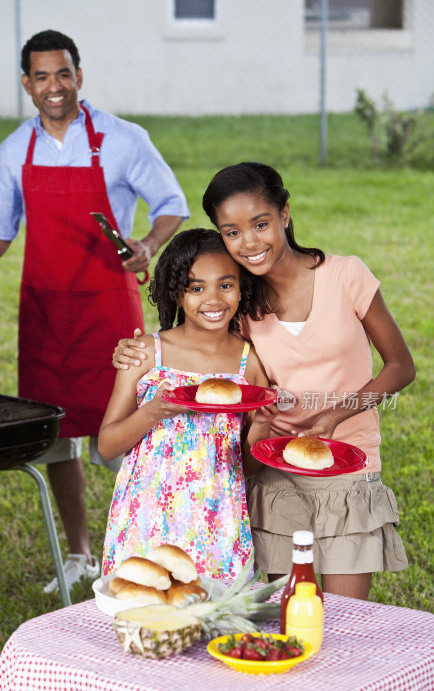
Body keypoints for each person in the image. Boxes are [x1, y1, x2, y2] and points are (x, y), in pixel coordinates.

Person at [0, 29, 189, 593]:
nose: (55, 87)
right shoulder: (13, 150)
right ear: (27, 84)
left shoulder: (123, 140)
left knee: (126, 432)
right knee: (56, 437)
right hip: (46, 314)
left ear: (80, 76)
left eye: (64, 74)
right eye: (42, 76)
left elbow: (173, 204)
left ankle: (144, 554)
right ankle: (79, 554)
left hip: (107, 310)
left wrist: (146, 244)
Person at [112, 162, 415, 601]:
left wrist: (334, 415)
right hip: (270, 470)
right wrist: (133, 352)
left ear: (285, 214)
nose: (249, 242)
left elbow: (400, 366)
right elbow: (195, 340)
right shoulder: (240, 301)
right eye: (231, 231)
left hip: (347, 464)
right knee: (282, 613)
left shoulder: (345, 276)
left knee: (348, 616)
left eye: (260, 224)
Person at [98, 229, 270, 581]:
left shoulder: (248, 362)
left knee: (215, 618)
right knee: (146, 614)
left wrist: (264, 424)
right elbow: (107, 446)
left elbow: (248, 466)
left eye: (225, 285)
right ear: (175, 294)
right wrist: (151, 412)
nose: (213, 299)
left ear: (242, 288)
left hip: (217, 519)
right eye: (196, 288)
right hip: (147, 515)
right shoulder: (146, 353)